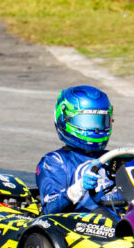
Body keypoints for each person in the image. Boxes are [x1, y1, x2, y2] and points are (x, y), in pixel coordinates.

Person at [36, 85, 116, 216]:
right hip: (81, 226)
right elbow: (50, 208)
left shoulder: (116, 159)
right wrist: (79, 188)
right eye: (87, 121)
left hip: (122, 222)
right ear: (64, 119)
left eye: (100, 122)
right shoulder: (55, 162)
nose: (95, 129)